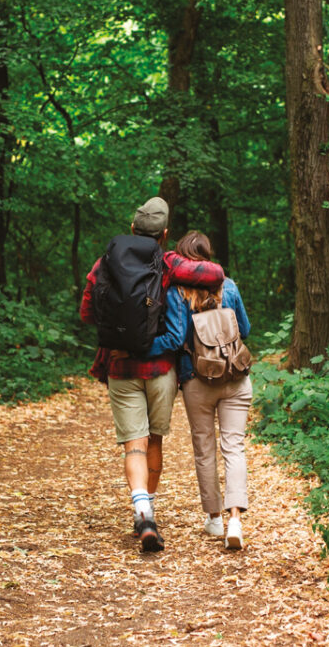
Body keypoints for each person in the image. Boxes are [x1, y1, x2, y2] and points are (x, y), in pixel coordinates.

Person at [80, 198, 224, 552]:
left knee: (134, 444)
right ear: (164, 234)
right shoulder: (167, 262)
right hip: (160, 369)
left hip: (120, 366)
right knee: (155, 440)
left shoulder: (104, 264)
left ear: (132, 229)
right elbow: (214, 275)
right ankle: (148, 509)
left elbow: (86, 312)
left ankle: (142, 509)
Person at [146, 231, 252, 550]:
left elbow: (177, 339)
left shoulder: (177, 292)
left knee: (204, 449)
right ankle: (235, 519)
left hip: (197, 380)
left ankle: (214, 520)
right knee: (234, 447)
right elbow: (244, 329)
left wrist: (143, 347)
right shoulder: (229, 286)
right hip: (235, 376)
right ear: (209, 256)